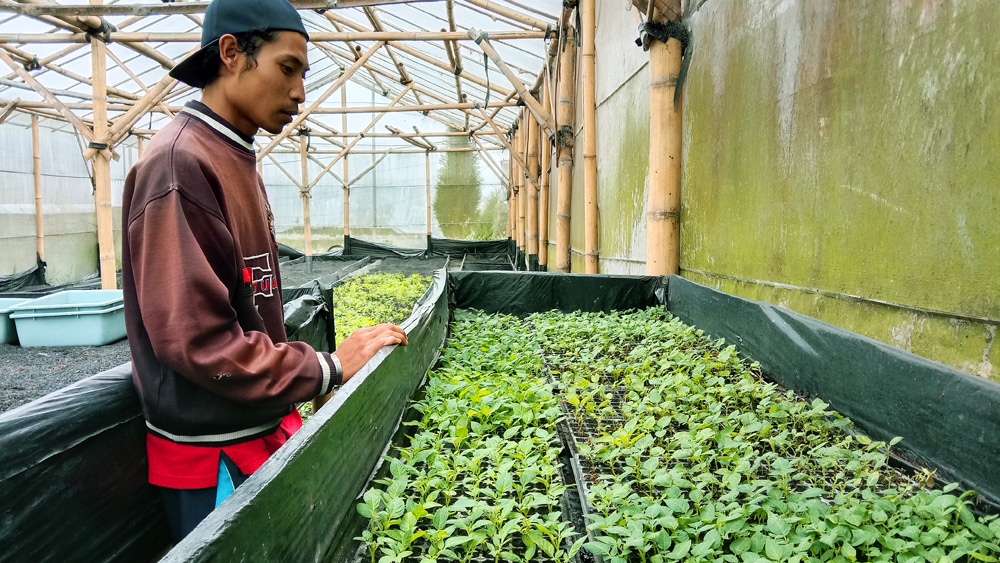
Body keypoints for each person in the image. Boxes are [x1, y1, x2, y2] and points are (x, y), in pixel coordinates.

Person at [120, 0, 408, 543]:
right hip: (216, 454)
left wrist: (310, 378)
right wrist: (325, 368)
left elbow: (247, 298)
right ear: (232, 53)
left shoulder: (234, 154)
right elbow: (197, 340)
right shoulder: (180, 163)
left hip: (257, 428)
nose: (300, 93)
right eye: (287, 68)